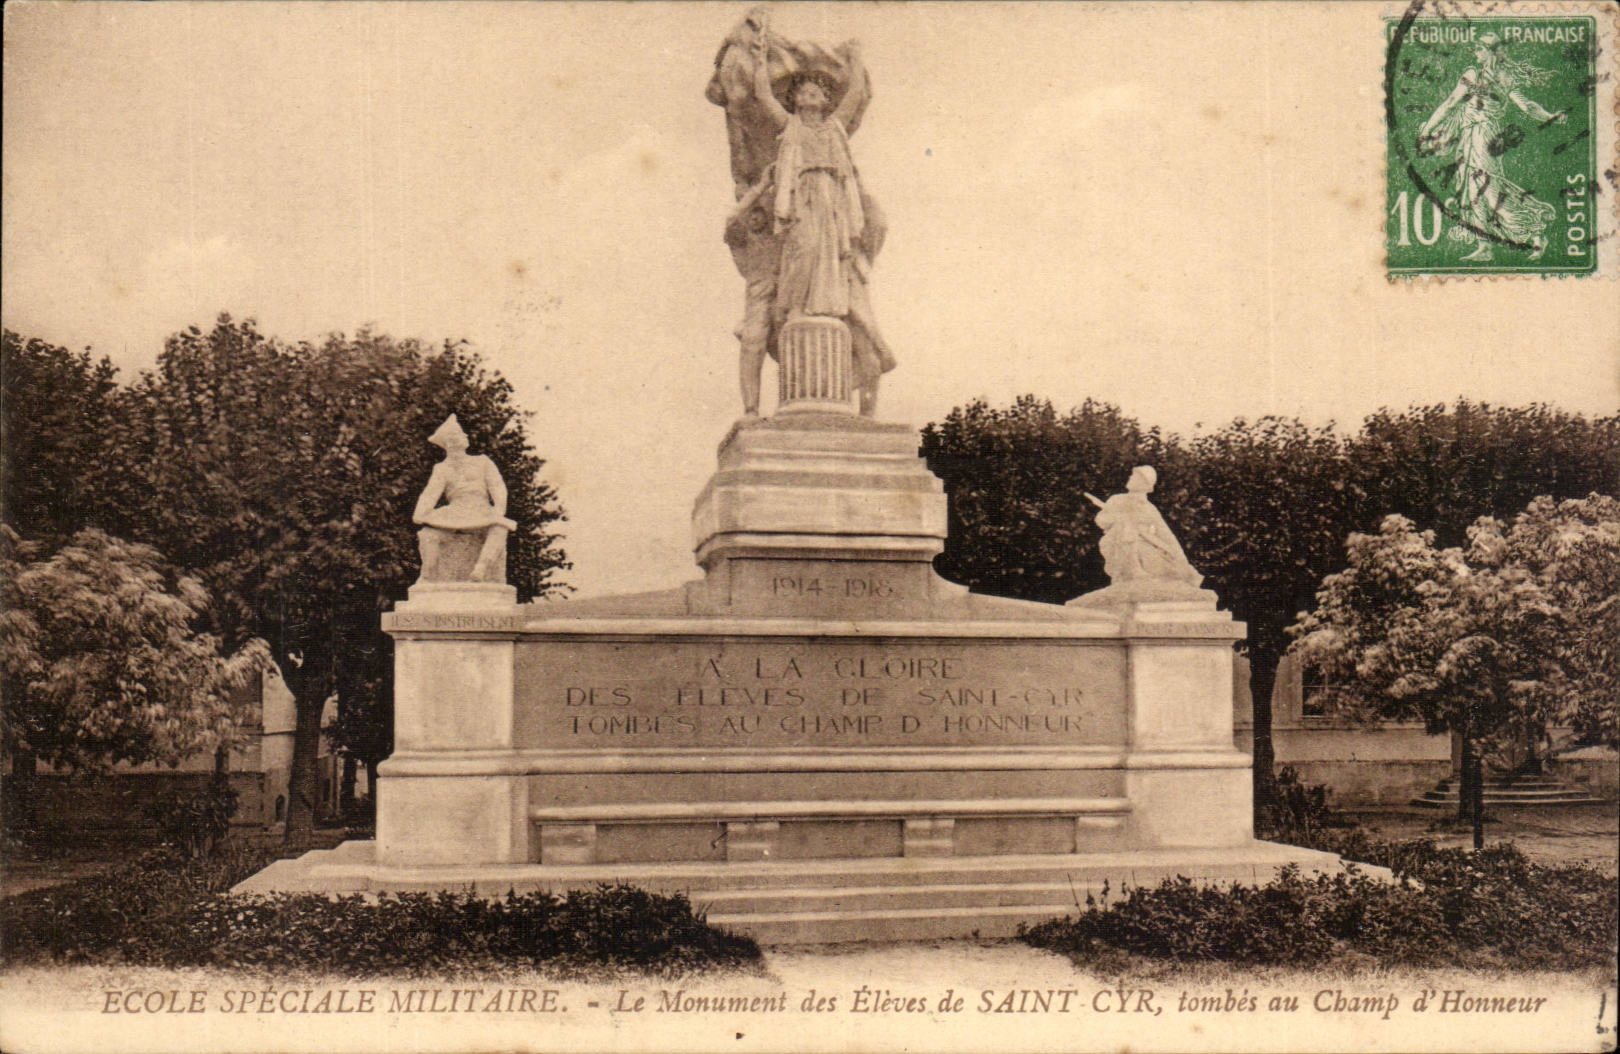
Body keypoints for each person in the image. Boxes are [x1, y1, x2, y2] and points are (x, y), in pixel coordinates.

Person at [750, 33, 896, 416]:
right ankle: (797, 306)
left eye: (818, 91)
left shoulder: (835, 128)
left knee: (829, 257)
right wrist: (761, 58)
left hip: (832, 197)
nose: (811, 95)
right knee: (802, 252)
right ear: (796, 99)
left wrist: (857, 58)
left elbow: (854, 95)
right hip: (801, 198)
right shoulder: (790, 126)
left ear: (826, 100)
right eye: (805, 91)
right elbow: (763, 96)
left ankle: (825, 306)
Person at [1417, 34, 1567, 262]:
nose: (1475, 54)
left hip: (1481, 135)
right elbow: (1527, 106)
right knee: (1475, 187)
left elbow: (1450, 103)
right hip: (1479, 135)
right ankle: (1487, 244)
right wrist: (1549, 116)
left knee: (1487, 188)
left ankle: (1534, 230)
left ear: (1490, 52)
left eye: (1479, 49)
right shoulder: (1504, 78)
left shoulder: (1474, 75)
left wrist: (1427, 128)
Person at [412, 414, 515, 582]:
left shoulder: (483, 462)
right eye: (459, 434)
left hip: (481, 510)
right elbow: (430, 494)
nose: (465, 437)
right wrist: (420, 513)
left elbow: (498, 487)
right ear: (450, 443)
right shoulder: (442, 469)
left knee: (499, 529)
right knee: (429, 534)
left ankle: (480, 569)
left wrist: (498, 510)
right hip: (455, 512)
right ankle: (429, 575)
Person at [1087, 467, 1201, 586]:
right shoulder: (1117, 500)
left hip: (1145, 545)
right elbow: (1101, 520)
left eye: (1135, 476)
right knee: (1125, 525)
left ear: (1144, 483)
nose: (1130, 477)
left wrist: (1180, 558)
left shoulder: (1149, 508)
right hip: (1117, 543)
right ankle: (1133, 569)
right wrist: (1117, 517)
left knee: (1169, 566)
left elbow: (1165, 534)